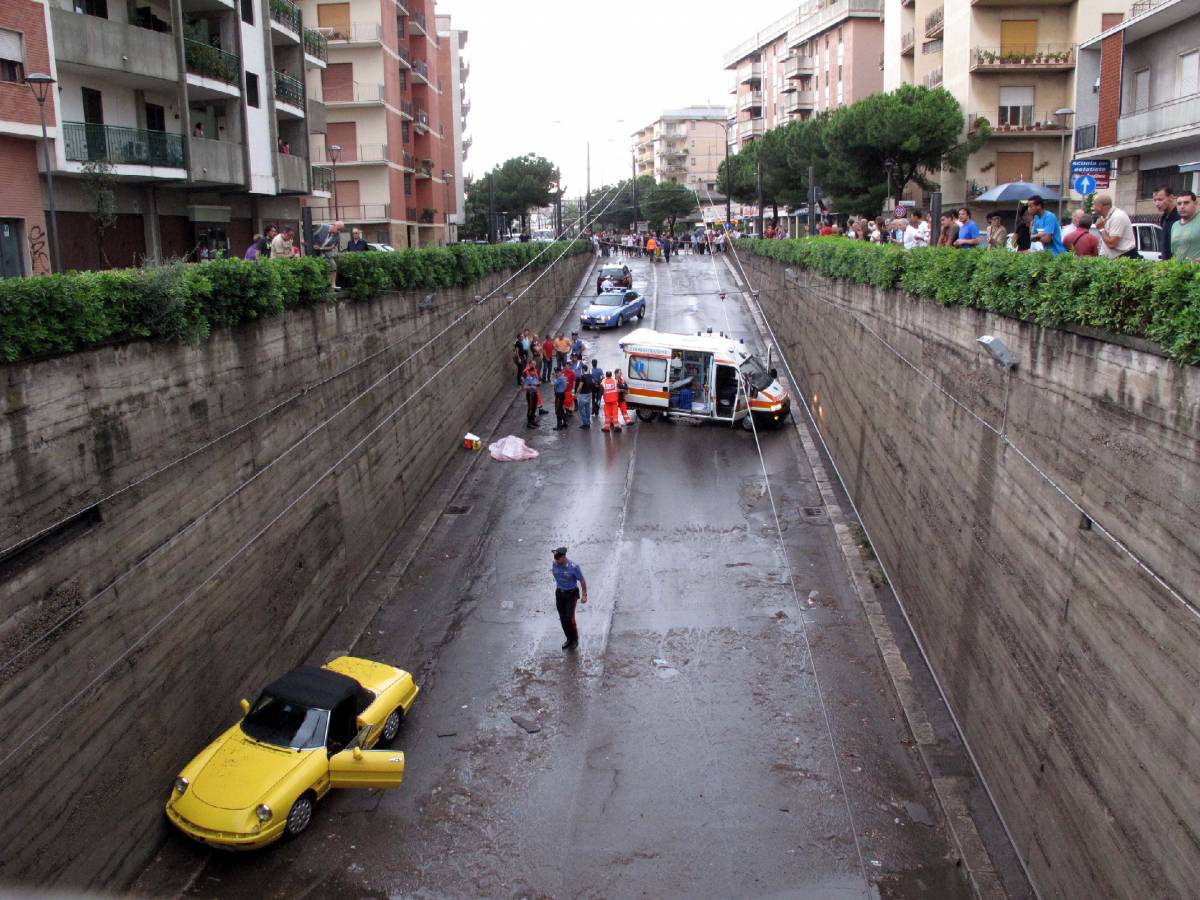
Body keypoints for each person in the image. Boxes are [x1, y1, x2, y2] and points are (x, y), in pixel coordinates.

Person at [550, 547, 588, 651]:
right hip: (559, 593)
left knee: (569, 618)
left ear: (564, 557)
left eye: (559, 559)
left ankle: (575, 640)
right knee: (562, 619)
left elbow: (582, 580)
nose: (557, 561)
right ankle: (568, 639)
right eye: (556, 559)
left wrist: (584, 595)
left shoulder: (573, 567)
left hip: (571, 594)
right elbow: (555, 574)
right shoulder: (554, 564)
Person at [1091, 194, 1137, 259]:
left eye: (1094, 204)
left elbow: (1112, 244)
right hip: (1113, 259)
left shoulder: (1117, 217)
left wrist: (1101, 229)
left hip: (1124, 258)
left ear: (1100, 206)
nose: (1093, 207)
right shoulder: (1104, 217)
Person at [311, 220, 343, 288]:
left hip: (325, 252)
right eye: (338, 229)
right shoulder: (322, 227)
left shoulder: (337, 235)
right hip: (313, 250)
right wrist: (309, 243)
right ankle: (317, 284)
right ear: (334, 225)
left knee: (333, 265)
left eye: (340, 230)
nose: (338, 231)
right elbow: (310, 235)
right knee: (316, 267)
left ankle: (333, 285)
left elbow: (332, 247)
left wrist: (321, 248)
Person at [1170, 191, 1200, 262]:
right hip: (1179, 271)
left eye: (1186, 203)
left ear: (1195, 204)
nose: (1182, 206)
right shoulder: (1175, 225)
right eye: (1179, 204)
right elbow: (1174, 253)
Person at [1153, 185, 1180, 260]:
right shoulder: (1164, 218)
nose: (1157, 203)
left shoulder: (1180, 218)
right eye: (1155, 200)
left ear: (1171, 197)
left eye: (1160, 199)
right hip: (1167, 265)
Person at [576, 363, 593, 429]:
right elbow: (593, 383)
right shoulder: (590, 375)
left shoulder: (583, 377)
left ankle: (585, 423)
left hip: (583, 395)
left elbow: (580, 386)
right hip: (589, 394)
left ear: (583, 369)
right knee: (587, 408)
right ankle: (588, 422)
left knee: (581, 409)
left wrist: (576, 392)